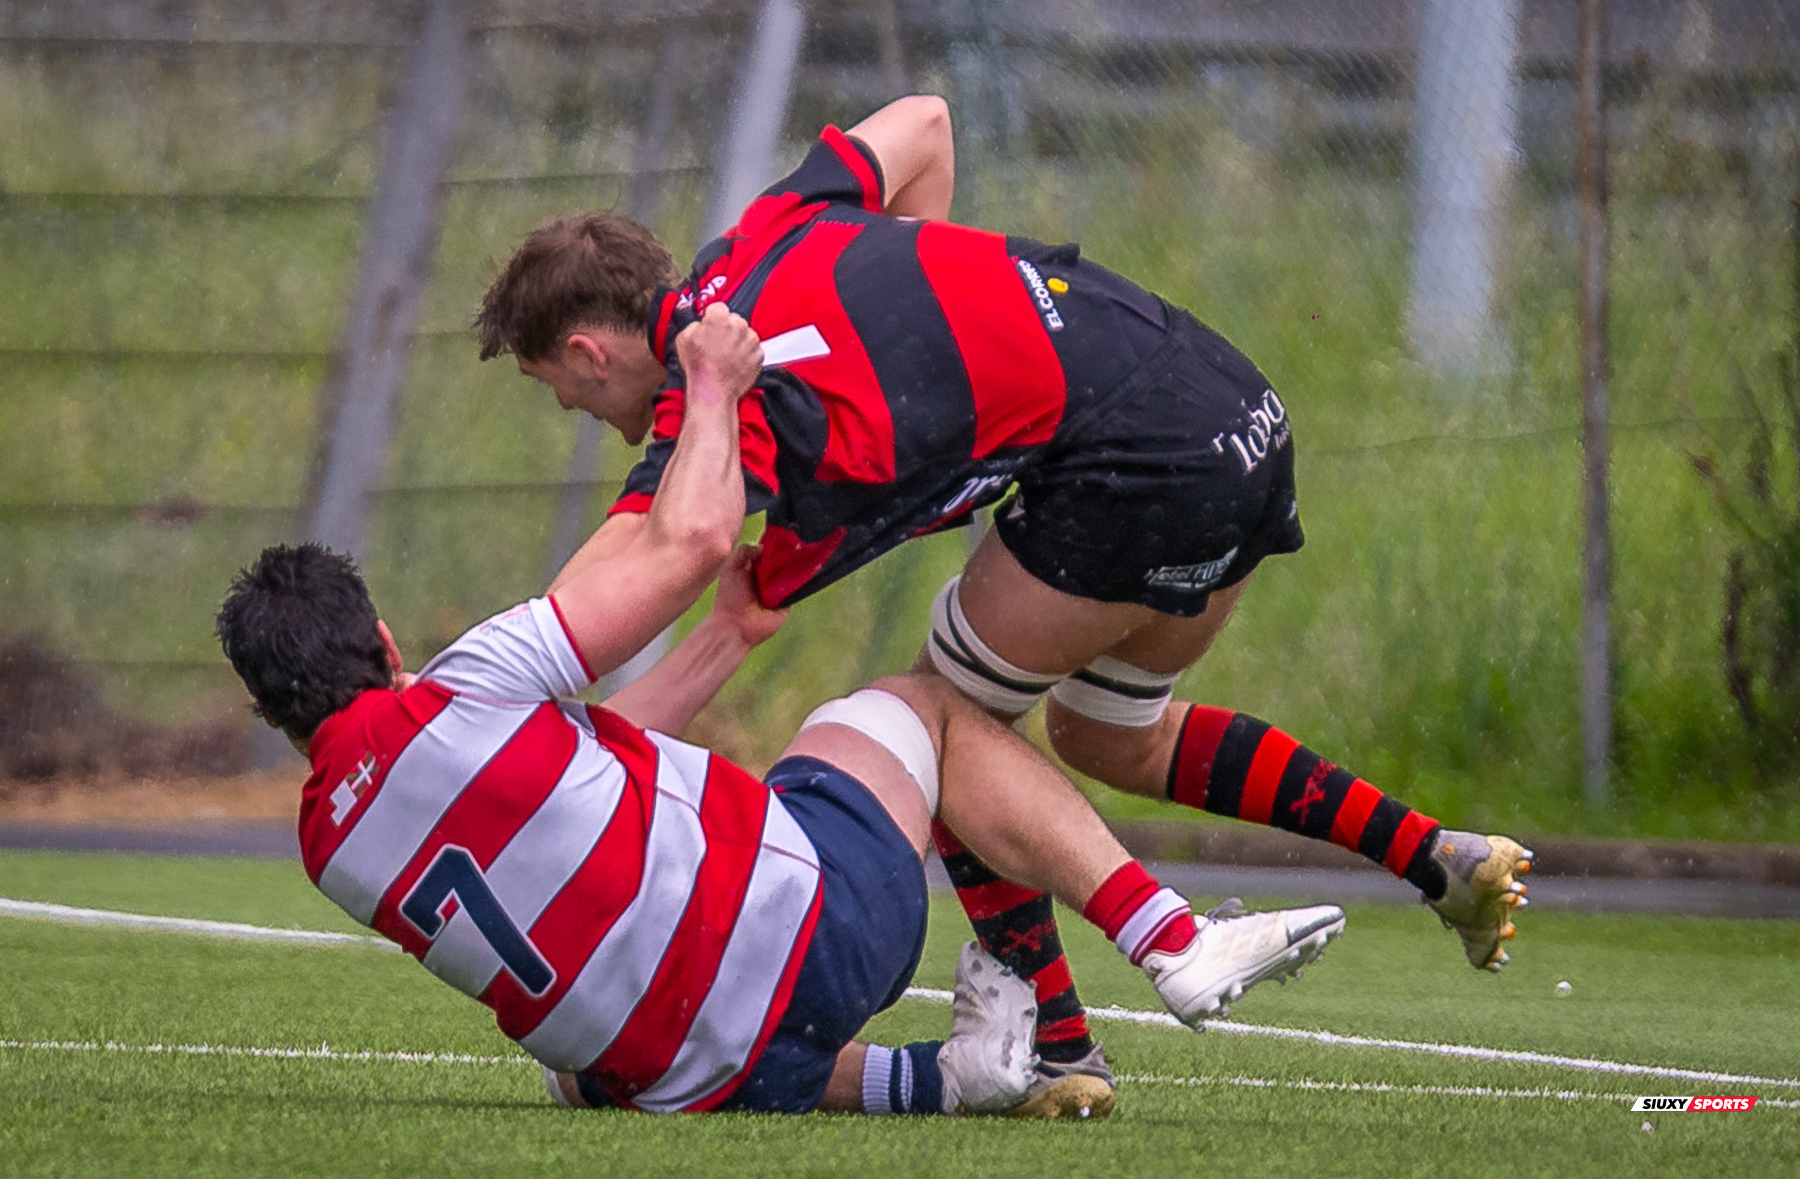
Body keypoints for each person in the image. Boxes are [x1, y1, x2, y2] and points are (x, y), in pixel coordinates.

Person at [472, 96, 1531, 1101]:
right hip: (1233, 407)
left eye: (552, 386)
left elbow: (654, 549)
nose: (570, 408)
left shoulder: (718, 411)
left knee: (939, 726)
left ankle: (1072, 1035)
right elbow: (926, 124)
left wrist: (474, 704)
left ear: (587, 352)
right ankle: (1436, 856)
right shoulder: (772, 226)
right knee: (1108, 734)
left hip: (1131, 461)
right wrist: (937, 319)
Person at [216, 305, 1345, 1120]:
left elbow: (585, 760)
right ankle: (1167, 936)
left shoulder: (327, 847)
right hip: (836, 938)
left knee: (585, 1059)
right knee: (928, 706)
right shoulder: (459, 688)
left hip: (697, 1076)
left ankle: (949, 1080)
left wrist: (726, 641)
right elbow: (691, 542)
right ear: (386, 644)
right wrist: (710, 385)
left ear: (275, 716)